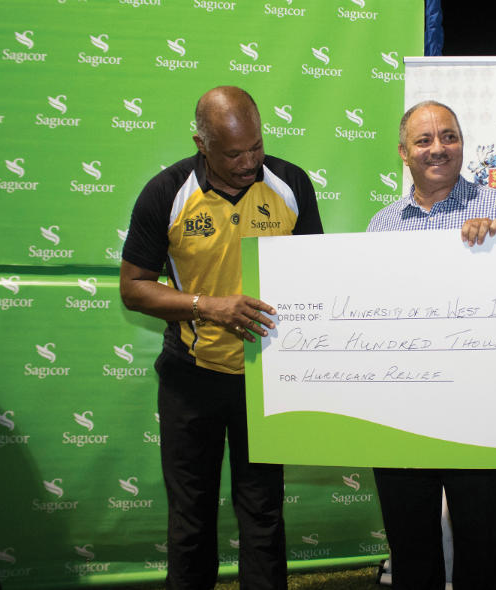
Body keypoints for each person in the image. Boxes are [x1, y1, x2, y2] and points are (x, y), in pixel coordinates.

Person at [119, 86, 323, 590]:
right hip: (192, 379)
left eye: (256, 146)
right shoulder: (165, 193)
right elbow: (133, 288)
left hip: (263, 378)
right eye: (234, 153)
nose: (249, 161)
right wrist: (209, 306)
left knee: (263, 513)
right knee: (190, 519)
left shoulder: (291, 182)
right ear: (201, 143)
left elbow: (317, 273)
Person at [367, 100, 496, 590]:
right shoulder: (382, 225)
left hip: (478, 412)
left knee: (481, 552)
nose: (438, 148)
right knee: (411, 552)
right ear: (403, 152)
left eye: (449, 136)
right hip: (402, 414)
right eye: (424, 140)